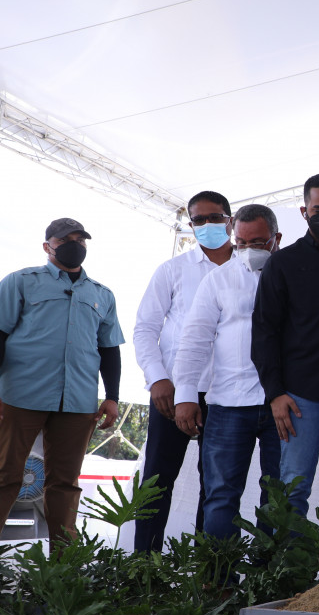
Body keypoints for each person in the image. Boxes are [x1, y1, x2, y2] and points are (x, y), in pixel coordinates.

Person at [0, 218, 123, 543]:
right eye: (66, 240)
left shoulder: (102, 294)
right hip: (20, 395)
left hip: (78, 400)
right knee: (5, 476)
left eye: (80, 240)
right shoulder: (20, 282)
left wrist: (112, 396)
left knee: (65, 482)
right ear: (47, 246)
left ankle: (63, 564)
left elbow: (109, 349)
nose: (75, 245)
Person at [131, 191, 234, 551]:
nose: (207, 225)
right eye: (199, 220)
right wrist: (158, 378)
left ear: (230, 220)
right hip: (173, 392)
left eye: (215, 217)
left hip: (227, 394)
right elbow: (145, 328)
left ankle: (209, 572)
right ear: (190, 225)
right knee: (157, 481)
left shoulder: (249, 269)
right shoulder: (173, 270)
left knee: (217, 486)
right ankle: (144, 568)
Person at [173, 205, 282, 542]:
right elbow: (195, 339)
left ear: (276, 239)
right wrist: (186, 395)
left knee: (279, 498)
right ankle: (220, 573)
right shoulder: (217, 280)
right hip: (228, 403)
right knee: (220, 495)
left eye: (258, 243)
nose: (248, 250)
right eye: (241, 243)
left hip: (282, 402)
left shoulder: (293, 276)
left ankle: (270, 572)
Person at [252, 174, 319, 515]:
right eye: (318, 210)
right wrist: (275, 393)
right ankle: (290, 554)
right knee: (293, 489)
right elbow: (264, 330)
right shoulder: (283, 262)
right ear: (304, 211)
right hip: (299, 396)